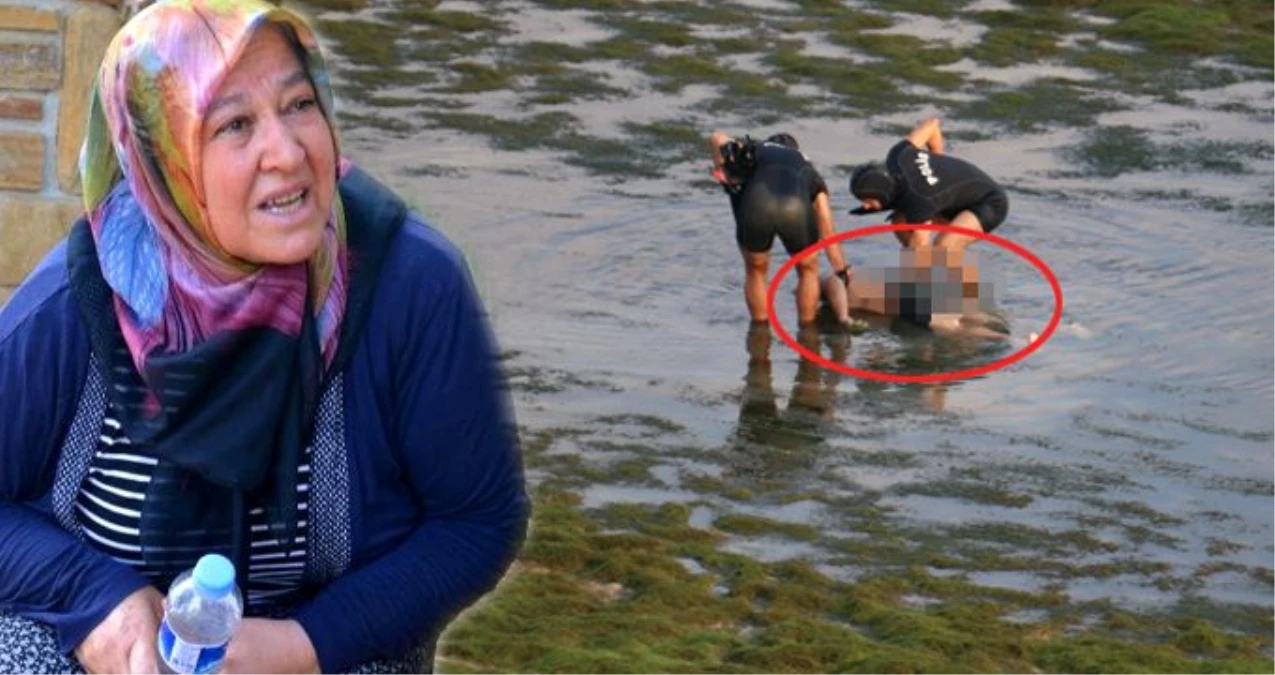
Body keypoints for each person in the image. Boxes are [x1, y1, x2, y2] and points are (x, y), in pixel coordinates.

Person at [0, 2, 529, 674]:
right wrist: (96, 600)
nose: (286, 152)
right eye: (235, 124)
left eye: (300, 104)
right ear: (167, 163)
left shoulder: (410, 284)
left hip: (322, 638)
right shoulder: (76, 303)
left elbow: (475, 521)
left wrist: (304, 645)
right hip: (97, 637)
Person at [710, 130, 853, 326]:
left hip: (756, 205)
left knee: (756, 271)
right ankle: (807, 329)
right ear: (795, 150)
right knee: (807, 270)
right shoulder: (808, 168)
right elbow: (826, 225)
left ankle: (760, 332)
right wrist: (842, 271)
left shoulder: (754, 151)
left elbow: (717, 137)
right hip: (794, 208)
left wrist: (721, 167)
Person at [847, 117, 1008, 257]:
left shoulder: (919, 198)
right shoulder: (899, 155)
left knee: (943, 247)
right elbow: (932, 126)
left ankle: (947, 288)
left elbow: (921, 244)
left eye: (868, 200)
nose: (865, 206)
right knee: (900, 222)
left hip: (990, 202)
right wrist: (937, 166)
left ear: (881, 192)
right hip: (953, 195)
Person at [820, 250, 1009, 341]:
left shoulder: (834, 281)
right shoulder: (849, 283)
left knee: (954, 327)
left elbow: (833, 284)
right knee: (962, 315)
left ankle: (1011, 341)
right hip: (912, 292)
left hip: (905, 300)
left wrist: (843, 317)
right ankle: (1014, 334)